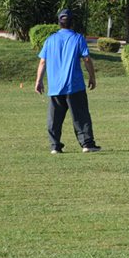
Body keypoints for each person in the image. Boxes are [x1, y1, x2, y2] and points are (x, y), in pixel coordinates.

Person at [34, 9, 101, 154]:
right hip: (74, 85)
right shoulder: (78, 38)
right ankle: (87, 144)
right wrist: (92, 77)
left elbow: (43, 62)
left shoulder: (50, 40)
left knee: (54, 118)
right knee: (81, 116)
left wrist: (38, 81)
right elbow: (86, 59)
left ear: (59, 22)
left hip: (55, 86)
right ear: (72, 22)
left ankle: (55, 146)